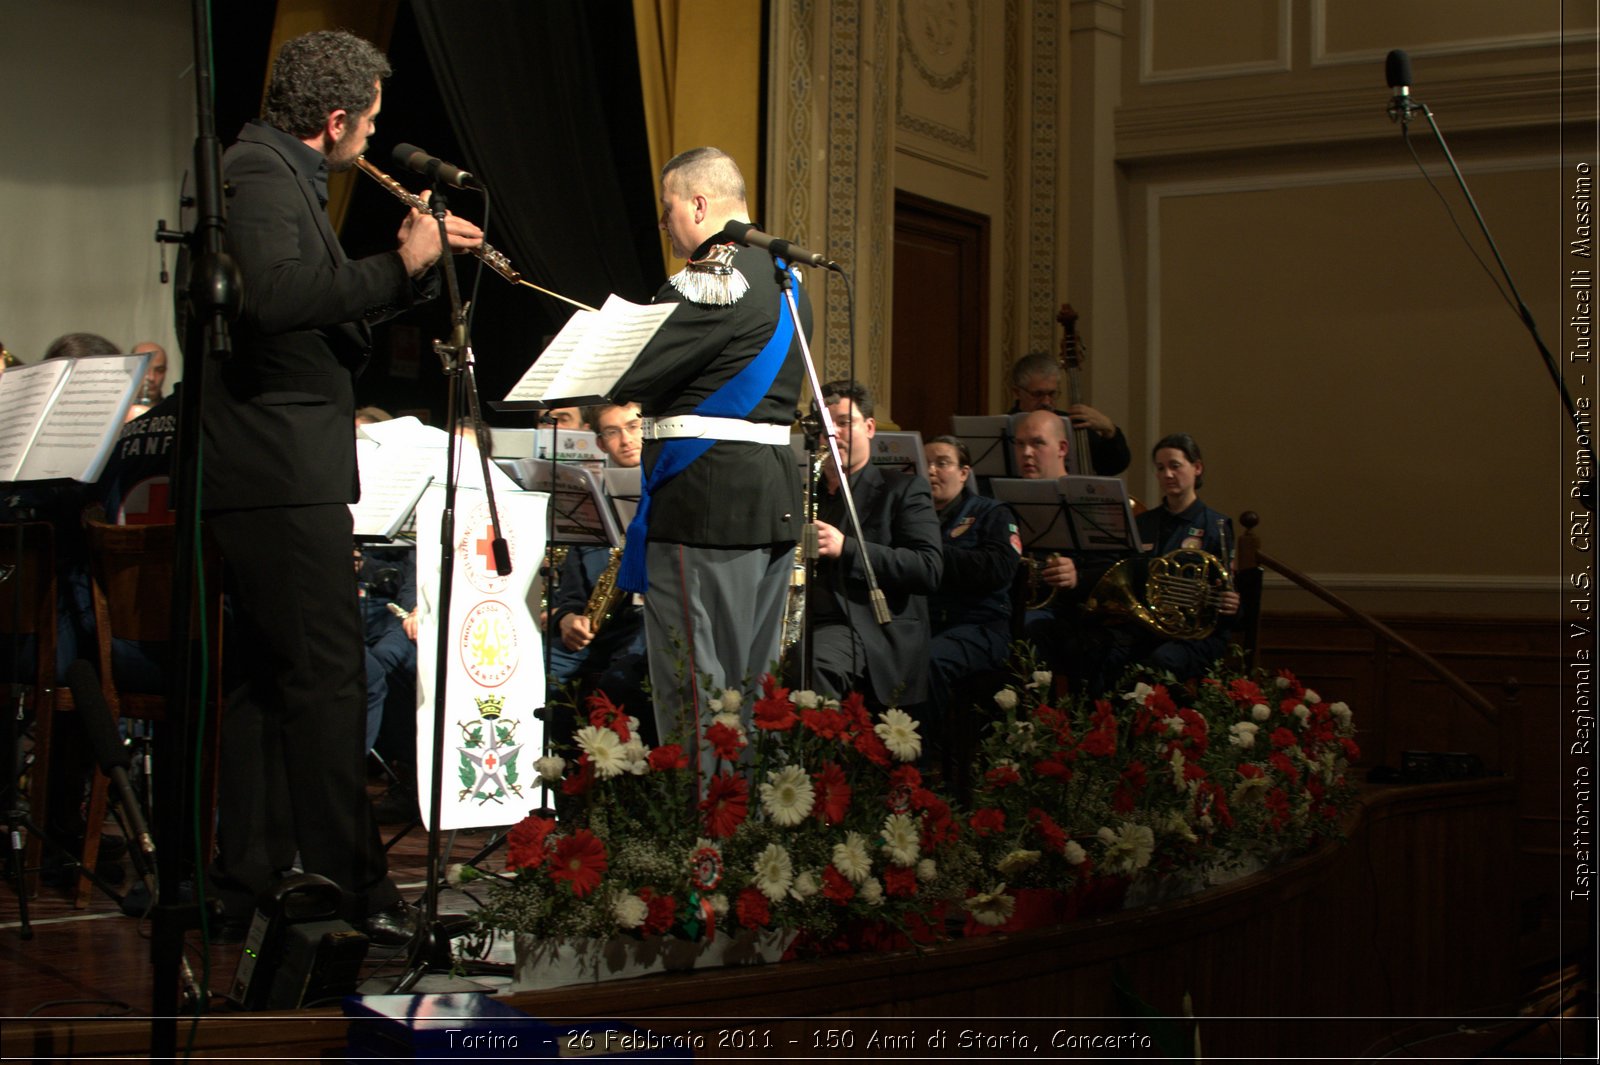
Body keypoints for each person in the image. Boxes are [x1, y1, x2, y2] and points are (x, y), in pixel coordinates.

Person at [200, 29, 482, 943]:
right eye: (368, 120)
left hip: (277, 463)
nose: (372, 137)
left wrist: (410, 271)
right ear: (334, 119)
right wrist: (402, 264)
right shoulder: (256, 170)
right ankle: (357, 892)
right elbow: (273, 299)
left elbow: (318, 312)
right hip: (276, 468)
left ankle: (247, 881)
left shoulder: (281, 171)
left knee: (265, 684)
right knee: (326, 679)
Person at [610, 146, 810, 769]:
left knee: (696, 688)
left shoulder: (712, 273)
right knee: (751, 691)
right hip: (769, 499)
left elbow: (631, 368)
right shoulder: (781, 274)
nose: (666, 225)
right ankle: (748, 839)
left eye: (669, 209)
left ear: (698, 204)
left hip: (703, 503)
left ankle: (703, 853)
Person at [806, 381, 942, 710]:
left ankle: (818, 759)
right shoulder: (808, 492)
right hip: (810, 621)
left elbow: (928, 568)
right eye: (824, 425)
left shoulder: (904, 490)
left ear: (869, 428)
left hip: (868, 627)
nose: (832, 433)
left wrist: (847, 548)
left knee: (816, 663)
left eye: (843, 422)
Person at [547, 402, 651, 744]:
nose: (626, 439)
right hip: (598, 627)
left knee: (620, 681)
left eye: (633, 426)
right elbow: (570, 595)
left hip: (648, 625)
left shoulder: (675, 494)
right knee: (537, 673)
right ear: (601, 443)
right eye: (612, 432)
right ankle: (554, 772)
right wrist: (566, 619)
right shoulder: (589, 504)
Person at [1106, 432, 1239, 680]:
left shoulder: (1216, 525)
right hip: (1147, 628)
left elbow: (1225, 587)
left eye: (1175, 466)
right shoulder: (1144, 522)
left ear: (1197, 468)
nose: (1167, 474)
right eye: (1160, 468)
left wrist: (1228, 601)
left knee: (1162, 661)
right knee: (1102, 653)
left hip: (1195, 636)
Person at [923, 435, 1020, 725]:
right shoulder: (913, 515)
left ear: (964, 473)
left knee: (929, 662)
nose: (931, 471)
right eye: (926, 464)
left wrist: (930, 553)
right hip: (925, 622)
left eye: (942, 463)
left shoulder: (991, 513)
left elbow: (999, 569)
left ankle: (925, 761)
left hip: (978, 626)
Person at [1007, 351, 1131, 476]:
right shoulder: (1004, 426)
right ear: (1017, 392)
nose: (1046, 401)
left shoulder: (1070, 423)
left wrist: (1109, 429)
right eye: (1037, 394)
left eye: (1052, 394)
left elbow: (1113, 466)